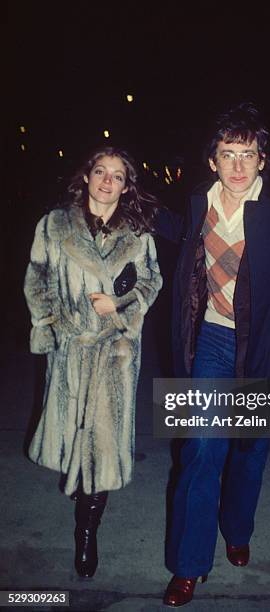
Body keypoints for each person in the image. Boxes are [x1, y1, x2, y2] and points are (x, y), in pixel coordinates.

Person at [156, 103, 270, 606]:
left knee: (250, 448)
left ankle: (237, 528)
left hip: (265, 346)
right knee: (201, 447)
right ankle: (189, 564)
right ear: (211, 160)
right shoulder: (199, 202)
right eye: (227, 154)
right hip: (212, 338)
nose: (238, 165)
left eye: (248, 154)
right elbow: (171, 229)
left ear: (263, 159)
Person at [24, 146, 162, 578]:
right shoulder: (54, 225)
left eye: (117, 175)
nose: (107, 181)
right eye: (100, 171)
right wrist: (50, 327)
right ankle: (80, 495)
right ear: (86, 177)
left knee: (101, 454)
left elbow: (152, 280)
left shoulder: (138, 234)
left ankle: (87, 534)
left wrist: (119, 304)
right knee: (73, 447)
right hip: (70, 352)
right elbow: (37, 279)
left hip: (115, 355)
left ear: (126, 185)